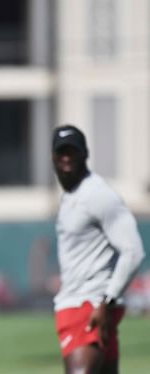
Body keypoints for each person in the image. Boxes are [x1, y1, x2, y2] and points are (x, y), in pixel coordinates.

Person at [51, 124, 146, 374]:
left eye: (72, 151)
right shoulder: (72, 195)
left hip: (89, 307)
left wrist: (108, 301)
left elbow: (133, 251)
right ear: (53, 157)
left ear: (85, 154)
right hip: (82, 305)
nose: (66, 158)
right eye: (61, 152)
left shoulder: (98, 194)